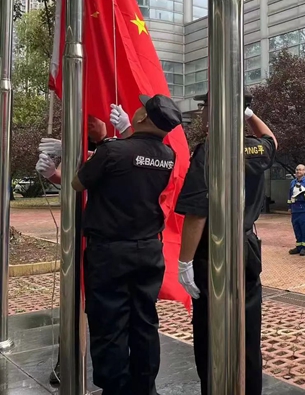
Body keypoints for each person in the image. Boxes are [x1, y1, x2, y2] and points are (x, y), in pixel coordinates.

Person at [70, 94, 181, 395]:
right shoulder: (168, 156)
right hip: (148, 251)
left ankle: (115, 388)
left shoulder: (112, 150)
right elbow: (139, 158)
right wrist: (120, 136)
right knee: (144, 322)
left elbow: (78, 183)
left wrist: (95, 147)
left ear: (142, 117)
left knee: (109, 324)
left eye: (139, 108)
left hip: (110, 253)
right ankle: (145, 387)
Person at [176, 90, 277, 395]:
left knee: (212, 332)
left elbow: (198, 213)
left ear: (216, 111)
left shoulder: (210, 151)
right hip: (246, 248)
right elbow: (272, 140)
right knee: (248, 331)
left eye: (205, 107)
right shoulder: (255, 148)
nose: (202, 113)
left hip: (214, 251)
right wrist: (249, 114)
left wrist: (185, 262)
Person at [34, 113, 122, 386]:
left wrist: (78, 149)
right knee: (75, 295)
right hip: (85, 231)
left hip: (114, 239)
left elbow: (115, 164)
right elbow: (77, 181)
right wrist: (52, 173)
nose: (90, 122)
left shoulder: (119, 147)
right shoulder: (91, 145)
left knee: (109, 308)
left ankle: (117, 369)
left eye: (94, 118)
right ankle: (69, 357)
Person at [287, 165, 305, 256]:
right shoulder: (293, 182)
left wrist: (300, 194)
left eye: (301, 170)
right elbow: (290, 195)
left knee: (304, 229)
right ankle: (299, 246)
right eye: (297, 170)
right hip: (295, 210)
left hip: (303, 209)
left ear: (304, 171)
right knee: (296, 228)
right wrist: (289, 207)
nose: (298, 171)